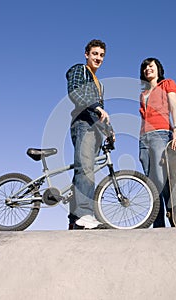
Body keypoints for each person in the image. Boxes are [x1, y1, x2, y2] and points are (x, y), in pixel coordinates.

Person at [138, 57, 176, 227]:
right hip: (143, 138)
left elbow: (174, 106)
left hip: (161, 134)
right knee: (150, 182)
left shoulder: (167, 84)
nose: (148, 69)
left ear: (158, 68)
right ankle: (158, 224)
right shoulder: (143, 94)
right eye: (145, 67)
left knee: (162, 180)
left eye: (151, 66)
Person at [65, 39, 111, 229]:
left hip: (94, 127)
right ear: (86, 54)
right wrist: (96, 107)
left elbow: (101, 112)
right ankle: (84, 213)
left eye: (101, 55)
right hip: (83, 124)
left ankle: (75, 221)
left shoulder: (99, 83)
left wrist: (109, 131)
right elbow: (74, 91)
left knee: (83, 172)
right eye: (94, 54)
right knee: (85, 170)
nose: (98, 58)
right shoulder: (80, 70)